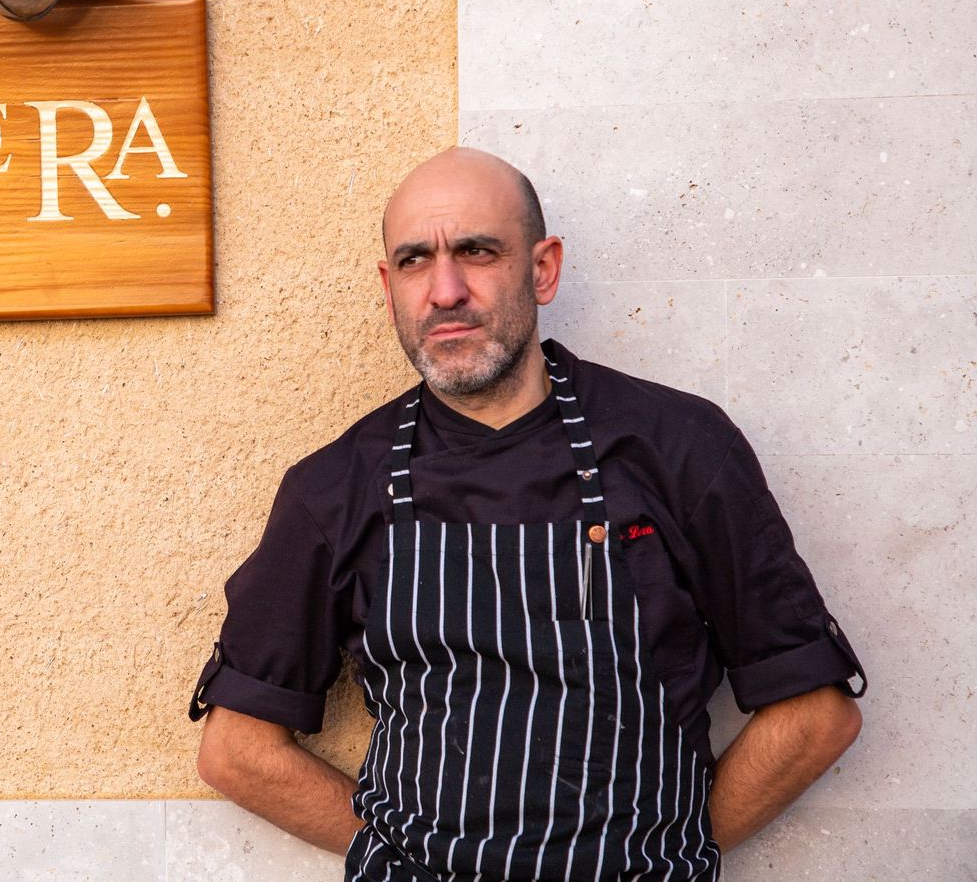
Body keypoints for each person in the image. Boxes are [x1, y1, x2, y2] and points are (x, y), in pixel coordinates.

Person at [187, 147, 866, 881]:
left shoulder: (678, 448)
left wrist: (671, 856)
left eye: (477, 251)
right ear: (390, 288)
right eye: (415, 261)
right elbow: (237, 751)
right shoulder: (335, 488)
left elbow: (814, 715)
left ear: (542, 268)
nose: (445, 290)